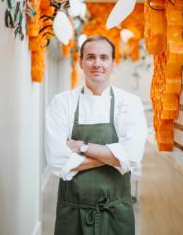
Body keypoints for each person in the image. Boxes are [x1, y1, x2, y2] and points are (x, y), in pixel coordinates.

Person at [45, 35, 148, 235]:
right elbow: (58, 161)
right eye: (90, 57)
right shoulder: (62, 103)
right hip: (72, 210)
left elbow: (133, 156)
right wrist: (117, 157)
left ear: (113, 63)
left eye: (104, 57)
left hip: (117, 211)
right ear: (81, 62)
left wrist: (83, 148)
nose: (97, 63)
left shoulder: (129, 103)